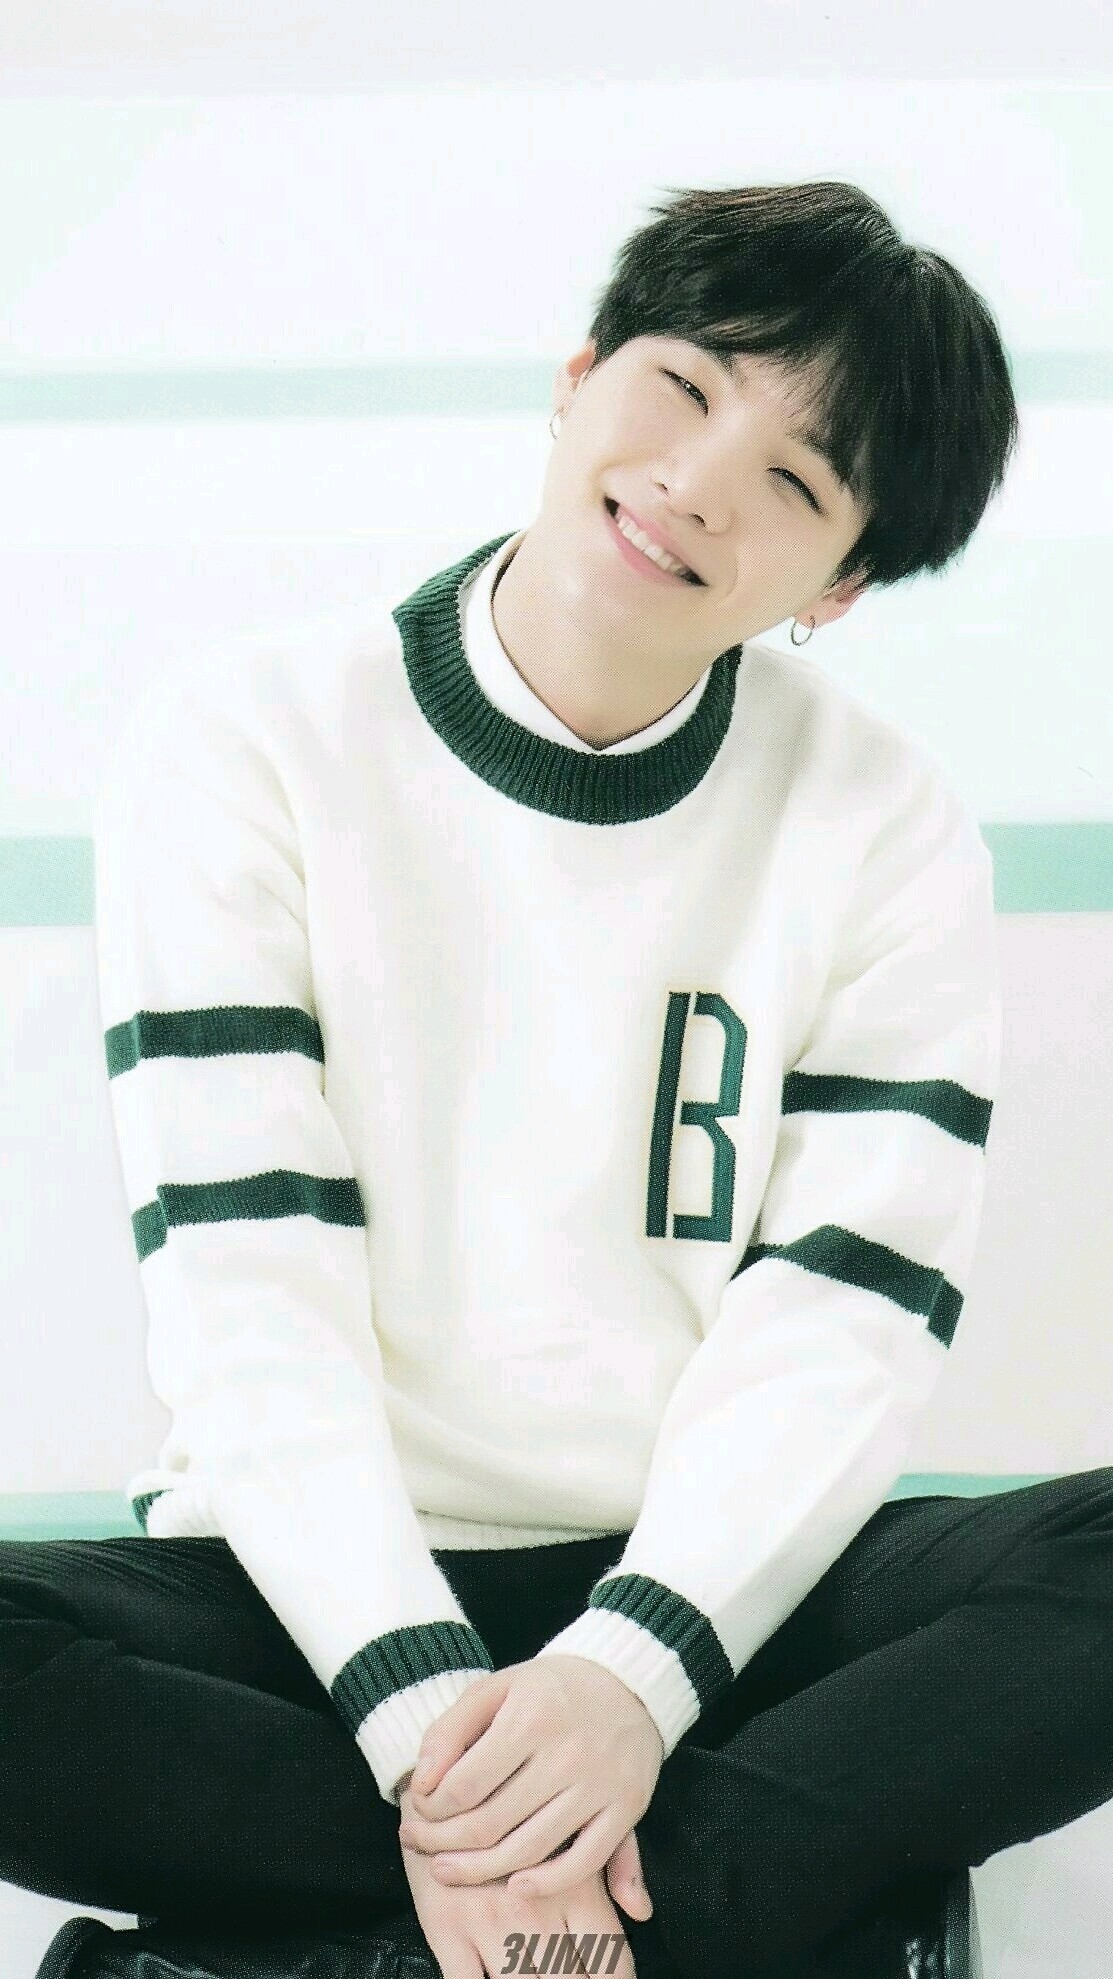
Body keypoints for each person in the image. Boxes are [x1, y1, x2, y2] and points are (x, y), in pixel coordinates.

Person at [6, 178, 1113, 1979]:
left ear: (839, 585)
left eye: (795, 481)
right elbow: (247, 1290)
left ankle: (390, 1958)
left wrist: (627, 1672)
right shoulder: (245, 744)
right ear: (578, 374)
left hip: (711, 1600)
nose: (698, 483)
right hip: (302, 1597)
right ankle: (689, 1927)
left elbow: (839, 1322)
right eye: (683, 387)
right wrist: (424, 1719)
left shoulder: (886, 825)